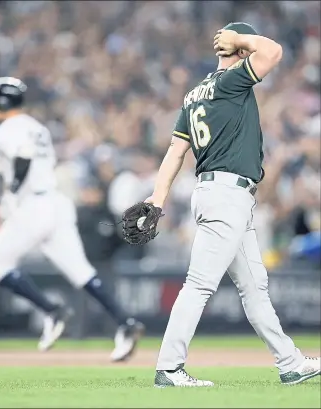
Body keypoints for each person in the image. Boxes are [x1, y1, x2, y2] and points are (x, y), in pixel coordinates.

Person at [144, 23, 320, 387]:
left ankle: (289, 363)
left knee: (254, 287)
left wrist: (158, 198)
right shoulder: (230, 82)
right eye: (244, 47)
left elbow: (176, 152)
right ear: (240, 51)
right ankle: (169, 367)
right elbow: (272, 51)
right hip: (226, 195)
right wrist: (242, 40)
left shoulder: (194, 94)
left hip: (223, 196)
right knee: (199, 284)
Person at [0, 76, 144, 361]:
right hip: (56, 203)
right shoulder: (38, 127)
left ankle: (51, 310)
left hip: (32, 206)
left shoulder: (7, 129)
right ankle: (125, 322)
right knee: (81, 272)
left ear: (3, 101)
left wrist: (13, 191)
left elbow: (23, 157)